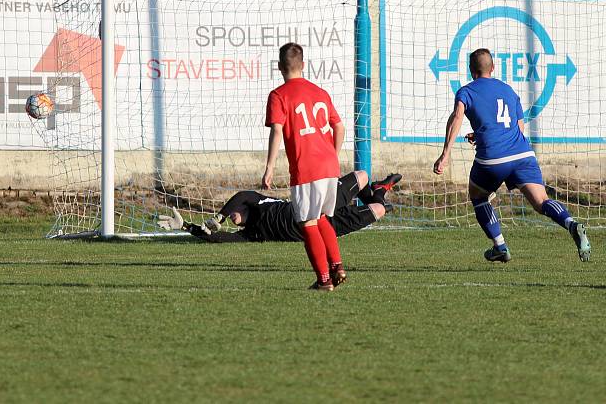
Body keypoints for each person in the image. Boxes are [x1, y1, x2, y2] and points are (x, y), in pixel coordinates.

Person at [433, 48, 590, 263]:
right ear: (493, 68)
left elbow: (457, 117)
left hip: (493, 159)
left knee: (478, 196)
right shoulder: (508, 91)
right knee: (541, 201)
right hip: (522, 154)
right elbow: (519, 127)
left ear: (471, 70)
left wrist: (445, 155)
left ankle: (500, 246)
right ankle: (571, 223)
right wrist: (482, 135)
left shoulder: (466, 91)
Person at [261, 42, 345, 291]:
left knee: (307, 223)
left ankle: (323, 280)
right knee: (319, 218)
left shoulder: (279, 95)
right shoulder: (319, 91)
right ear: (304, 65)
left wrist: (269, 167)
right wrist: (333, 154)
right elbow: (339, 126)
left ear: (279, 67)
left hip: (306, 167)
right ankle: (337, 266)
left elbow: (277, 130)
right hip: (329, 165)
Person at [157, 172, 401, 244]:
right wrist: (187, 226)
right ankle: (380, 192)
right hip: (322, 227)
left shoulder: (260, 201)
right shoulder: (252, 234)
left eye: (234, 213)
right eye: (231, 220)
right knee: (379, 209)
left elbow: (241, 195)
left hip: (314, 204)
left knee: (361, 176)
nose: (233, 218)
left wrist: (219, 217)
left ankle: (377, 188)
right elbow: (217, 239)